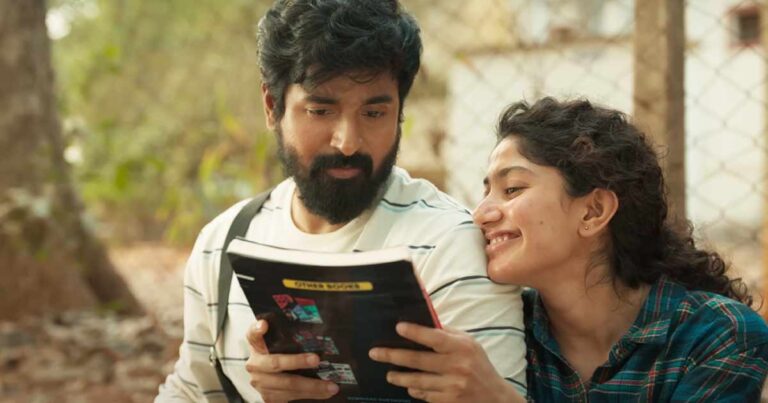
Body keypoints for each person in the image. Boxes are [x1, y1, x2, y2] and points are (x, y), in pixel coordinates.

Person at [155, 1, 527, 401]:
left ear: (400, 112)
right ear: (272, 106)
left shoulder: (450, 246)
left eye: (374, 113)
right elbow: (191, 391)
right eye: (320, 110)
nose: (347, 142)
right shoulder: (224, 243)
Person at [369, 97, 768, 402]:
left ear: (593, 211)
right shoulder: (501, 329)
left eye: (512, 189)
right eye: (487, 191)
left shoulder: (716, 336)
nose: (481, 214)